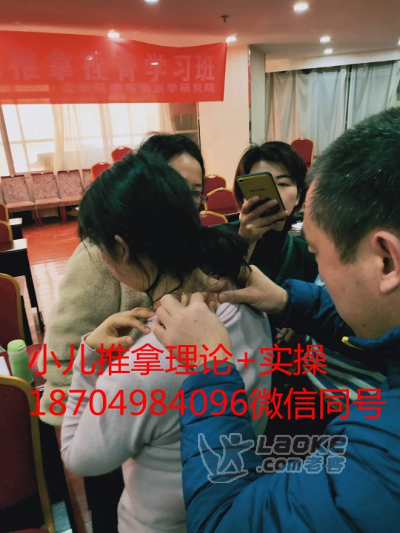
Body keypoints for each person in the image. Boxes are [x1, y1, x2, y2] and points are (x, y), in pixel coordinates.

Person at [152, 108, 400, 531]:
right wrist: (289, 300)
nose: (320, 277)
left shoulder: (379, 456)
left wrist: (210, 369)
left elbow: (223, 522)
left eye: (319, 254)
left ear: (386, 261)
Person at [61, 151, 273, 533]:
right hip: (237, 500)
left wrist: (89, 357)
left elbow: (77, 456)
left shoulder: (139, 369)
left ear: (121, 249)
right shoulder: (251, 305)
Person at [38, 133, 208, 533]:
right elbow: (61, 357)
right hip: (111, 423)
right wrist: (94, 407)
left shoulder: (200, 259)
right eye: (172, 190)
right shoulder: (99, 255)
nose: (181, 207)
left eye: (193, 194)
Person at [232, 141, 318, 285]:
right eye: (260, 185)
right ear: (243, 194)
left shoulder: (308, 254)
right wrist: (244, 241)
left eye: (283, 184)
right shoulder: (217, 239)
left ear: (298, 196)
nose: (274, 193)